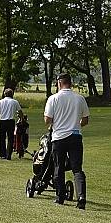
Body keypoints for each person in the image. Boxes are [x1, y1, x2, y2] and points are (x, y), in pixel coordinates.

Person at [44, 72, 89, 209]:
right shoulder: (80, 98)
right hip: (75, 136)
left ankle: (60, 196)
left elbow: (47, 120)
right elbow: (85, 120)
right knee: (77, 169)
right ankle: (81, 197)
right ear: (71, 83)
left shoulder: (53, 99)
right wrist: (75, 125)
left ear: (59, 83)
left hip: (59, 137)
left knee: (59, 167)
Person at [0, 88, 23, 160]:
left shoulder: (0, 102)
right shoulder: (15, 102)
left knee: (2, 138)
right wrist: (21, 119)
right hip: (10, 122)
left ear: (4, 94)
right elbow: (20, 112)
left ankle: (2, 154)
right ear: (12, 94)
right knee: (10, 138)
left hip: (2, 121)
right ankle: (8, 155)